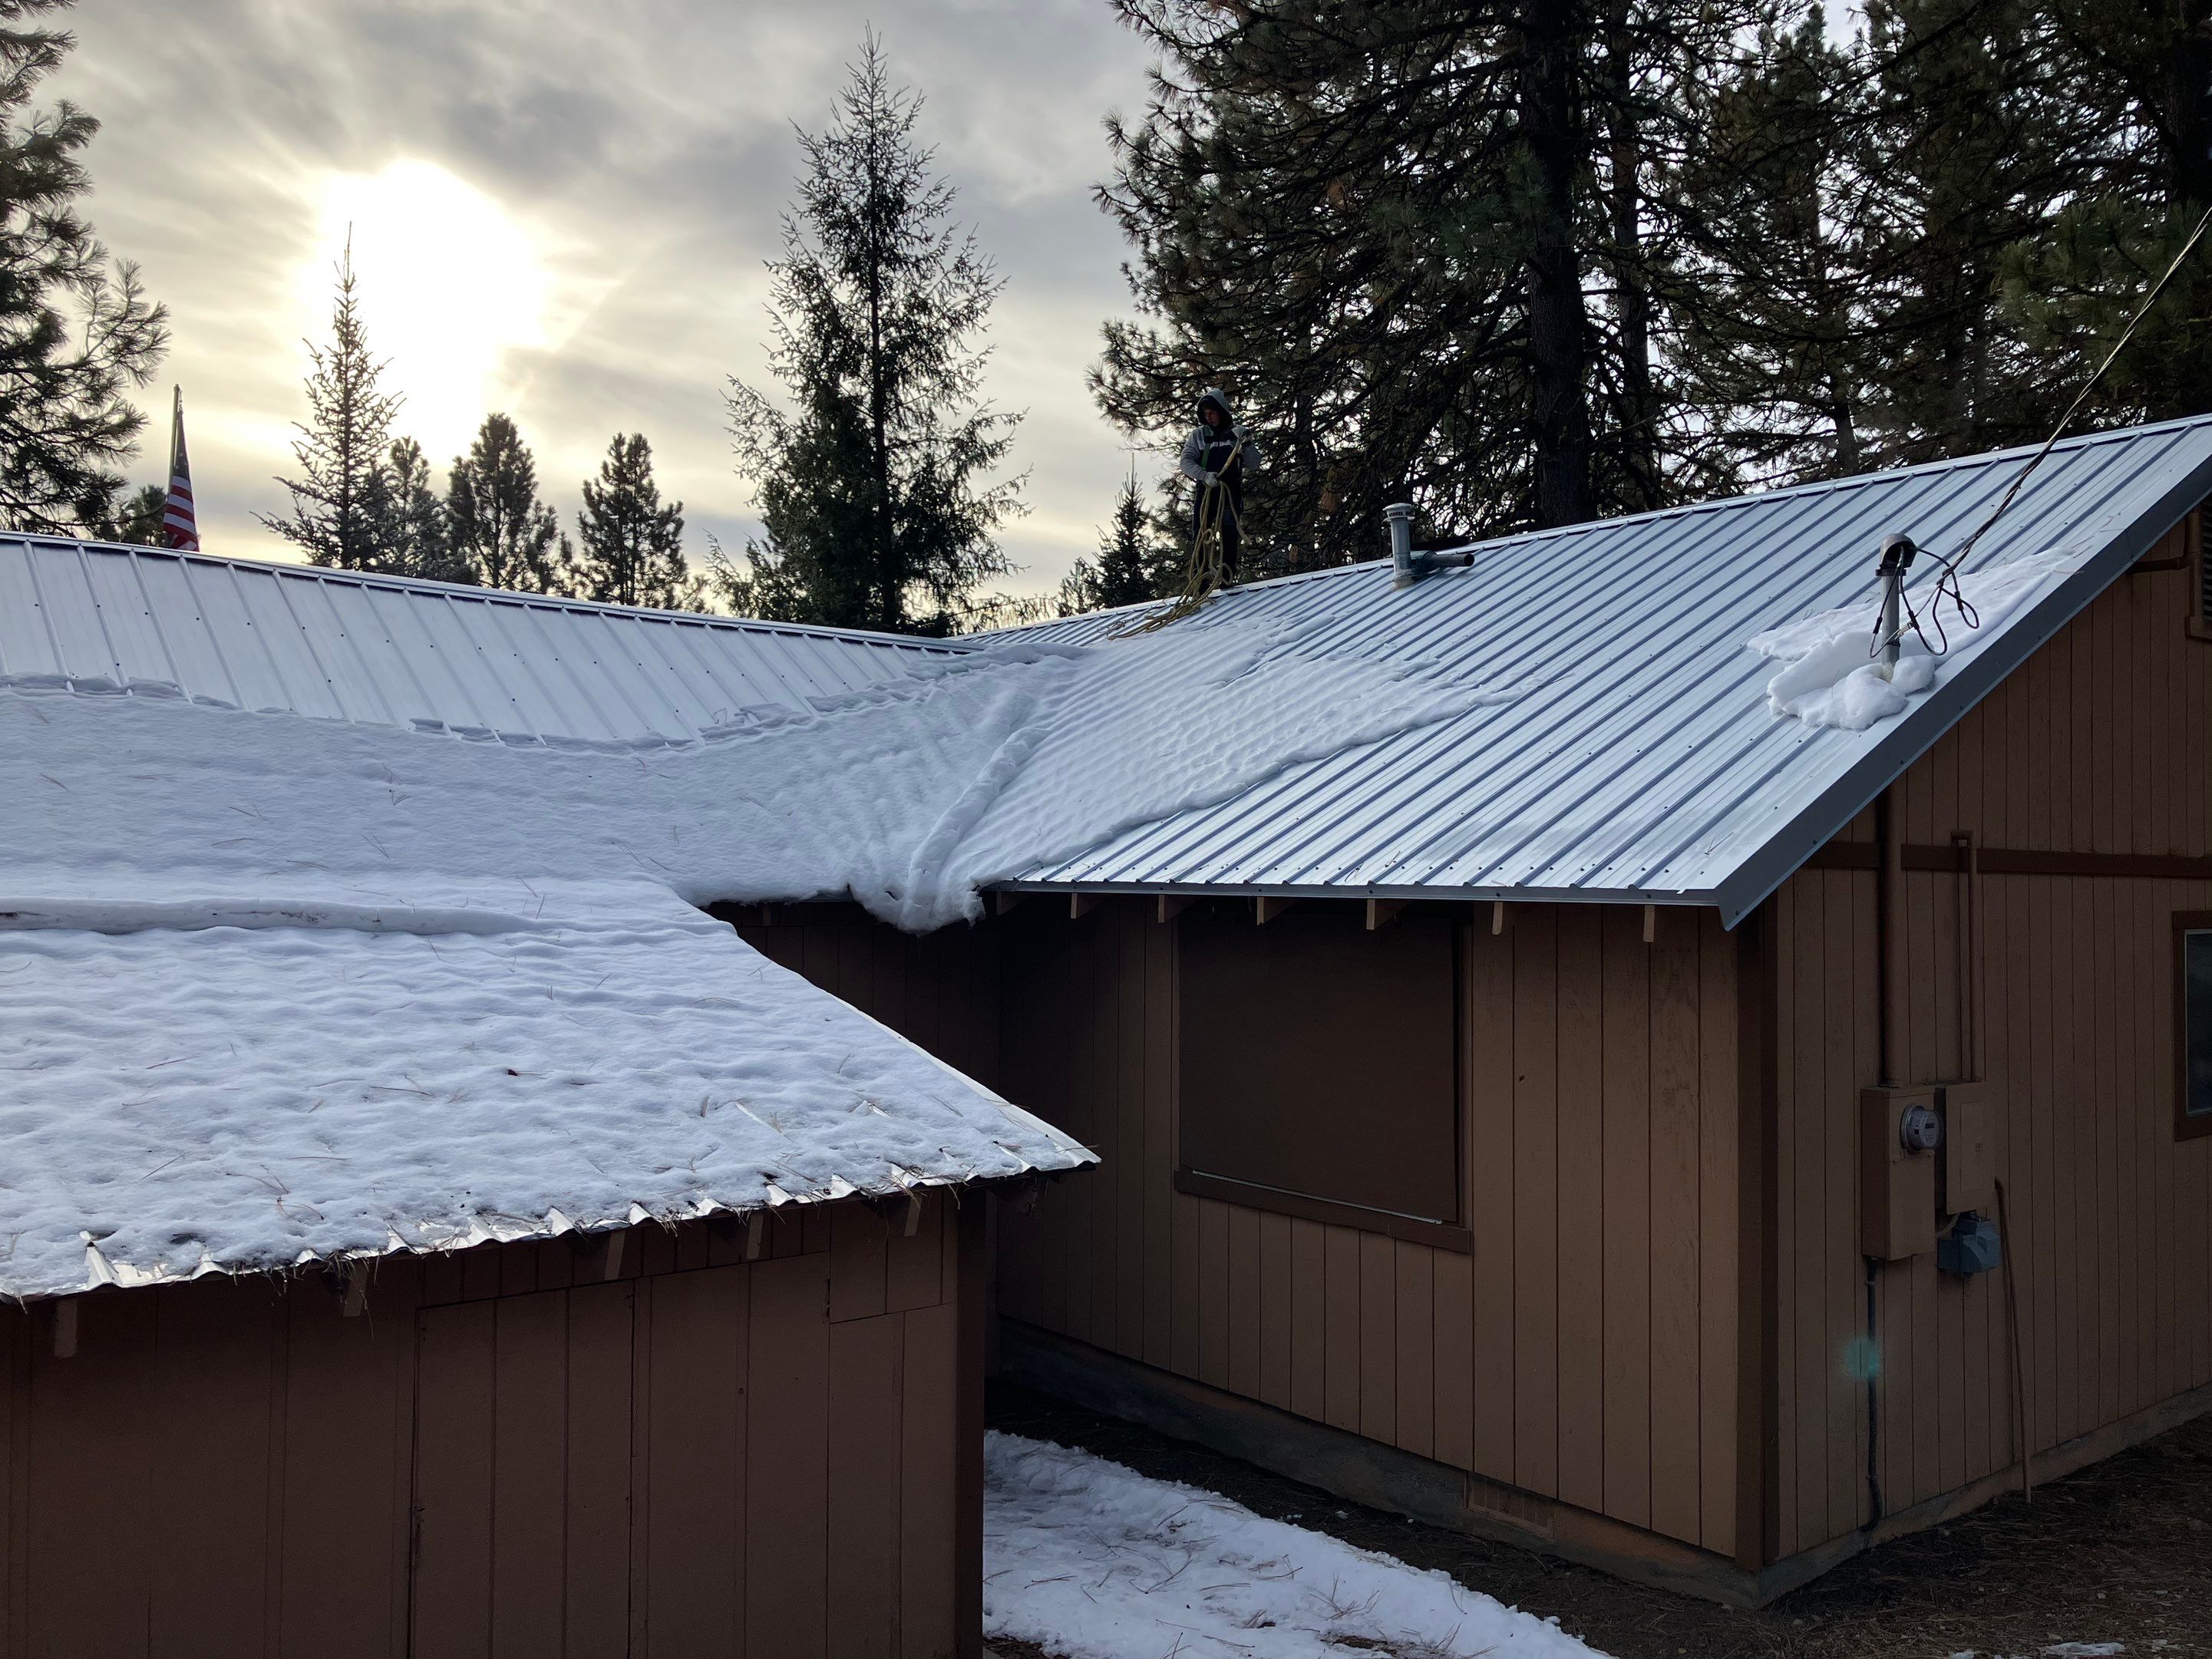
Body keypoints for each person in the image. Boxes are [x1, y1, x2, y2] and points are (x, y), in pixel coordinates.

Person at [1179, 389, 1263, 581]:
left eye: (1213, 413)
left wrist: (1247, 444)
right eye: (1206, 414)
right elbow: (1186, 461)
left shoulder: (1237, 434)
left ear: (1222, 412)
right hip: (1207, 492)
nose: (1209, 418)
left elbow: (1254, 463)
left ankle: (1227, 577)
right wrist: (1204, 475)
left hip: (1230, 493)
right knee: (1201, 534)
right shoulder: (1199, 435)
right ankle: (1200, 580)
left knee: (1229, 534)